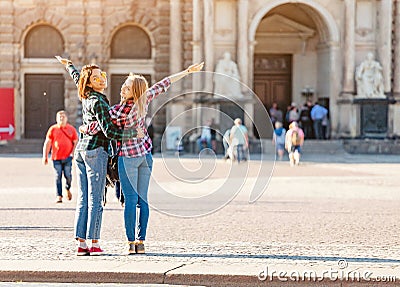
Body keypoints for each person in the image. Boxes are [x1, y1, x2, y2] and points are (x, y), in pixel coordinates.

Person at [80, 62, 204, 254]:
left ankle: (131, 244)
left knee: (130, 200)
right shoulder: (143, 100)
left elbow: (98, 126)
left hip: (128, 157)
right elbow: (164, 84)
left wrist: (83, 128)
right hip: (145, 155)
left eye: (127, 86)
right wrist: (187, 72)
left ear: (133, 91)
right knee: (143, 200)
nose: (123, 87)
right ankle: (141, 241)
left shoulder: (117, 111)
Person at [56, 56, 142, 256]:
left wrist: (70, 66)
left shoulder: (85, 95)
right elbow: (110, 132)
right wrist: (132, 133)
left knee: (83, 198)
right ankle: (93, 243)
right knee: (95, 199)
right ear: (91, 83)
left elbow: (79, 79)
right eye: (96, 78)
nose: (102, 79)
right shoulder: (99, 102)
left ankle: (81, 242)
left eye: (101, 75)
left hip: (81, 150)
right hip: (95, 152)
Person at [42, 110, 78, 203]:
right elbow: (48, 143)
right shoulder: (53, 129)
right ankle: (59, 196)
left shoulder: (71, 129)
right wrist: (45, 156)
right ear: (56, 119)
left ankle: (67, 188)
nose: (61, 119)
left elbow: (76, 142)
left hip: (67, 157)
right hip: (56, 157)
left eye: (63, 117)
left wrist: (73, 153)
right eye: (59, 117)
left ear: (66, 118)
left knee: (68, 175)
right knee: (58, 176)